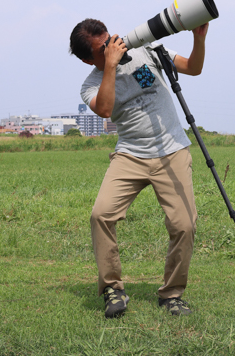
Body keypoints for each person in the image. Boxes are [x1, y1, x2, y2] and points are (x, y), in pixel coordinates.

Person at [69, 18, 208, 318]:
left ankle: (172, 294)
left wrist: (199, 40)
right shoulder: (90, 85)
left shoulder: (147, 50)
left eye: (109, 40)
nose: (111, 47)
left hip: (172, 150)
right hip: (130, 155)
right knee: (100, 215)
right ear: (86, 59)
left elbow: (193, 68)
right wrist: (110, 66)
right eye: (101, 48)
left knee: (184, 225)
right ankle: (112, 289)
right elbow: (105, 109)